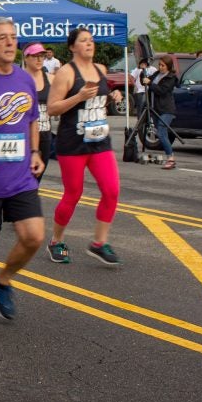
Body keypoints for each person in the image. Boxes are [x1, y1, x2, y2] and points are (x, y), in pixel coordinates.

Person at [0, 20, 45, 328]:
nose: (10, 43)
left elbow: (32, 120)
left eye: (13, 38)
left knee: (34, 236)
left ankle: (1, 281)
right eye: (2, 38)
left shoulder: (25, 80)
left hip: (20, 176)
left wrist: (37, 152)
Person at [46, 27, 124, 266]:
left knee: (112, 190)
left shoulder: (100, 69)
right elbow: (52, 108)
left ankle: (99, 243)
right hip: (73, 143)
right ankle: (56, 241)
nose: (89, 44)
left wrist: (114, 96)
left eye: (91, 40)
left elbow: (99, 98)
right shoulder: (66, 73)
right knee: (74, 193)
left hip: (100, 141)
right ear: (72, 47)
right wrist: (78, 97)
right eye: (83, 41)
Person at [22, 43, 53, 181]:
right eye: (35, 56)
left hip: (45, 134)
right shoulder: (18, 79)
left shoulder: (51, 78)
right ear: (26, 58)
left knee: (37, 177)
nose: (39, 60)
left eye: (42, 56)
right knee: (23, 179)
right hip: (24, 135)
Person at [144, 56, 178, 170]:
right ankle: (169, 157)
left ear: (168, 66)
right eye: (159, 65)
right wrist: (142, 74)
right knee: (159, 133)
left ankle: (171, 158)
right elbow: (146, 79)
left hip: (167, 109)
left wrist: (150, 84)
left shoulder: (171, 78)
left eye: (163, 65)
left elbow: (162, 91)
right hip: (155, 108)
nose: (160, 67)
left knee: (162, 132)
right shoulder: (157, 74)